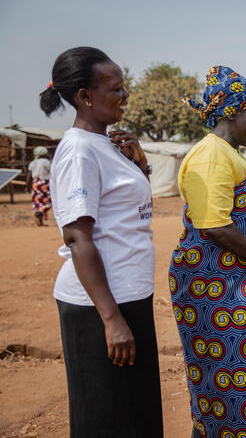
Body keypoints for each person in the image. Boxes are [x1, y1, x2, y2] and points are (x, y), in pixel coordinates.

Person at [40, 47, 162, 437]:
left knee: (136, 413)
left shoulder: (107, 145)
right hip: (100, 306)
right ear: (85, 96)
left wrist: (138, 162)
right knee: (106, 418)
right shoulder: (77, 151)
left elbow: (131, 214)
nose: (125, 96)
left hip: (128, 294)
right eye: (117, 89)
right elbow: (77, 237)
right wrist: (111, 320)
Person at [170, 66, 246, 437]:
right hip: (217, 289)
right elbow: (215, 225)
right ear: (232, 112)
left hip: (234, 286)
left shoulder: (228, 154)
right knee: (242, 384)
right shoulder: (211, 155)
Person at [26, 145, 52, 226]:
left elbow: (29, 176)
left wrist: (28, 186)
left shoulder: (32, 163)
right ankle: (39, 213)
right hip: (44, 184)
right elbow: (52, 173)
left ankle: (40, 221)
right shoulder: (46, 162)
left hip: (35, 184)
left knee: (38, 202)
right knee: (49, 201)